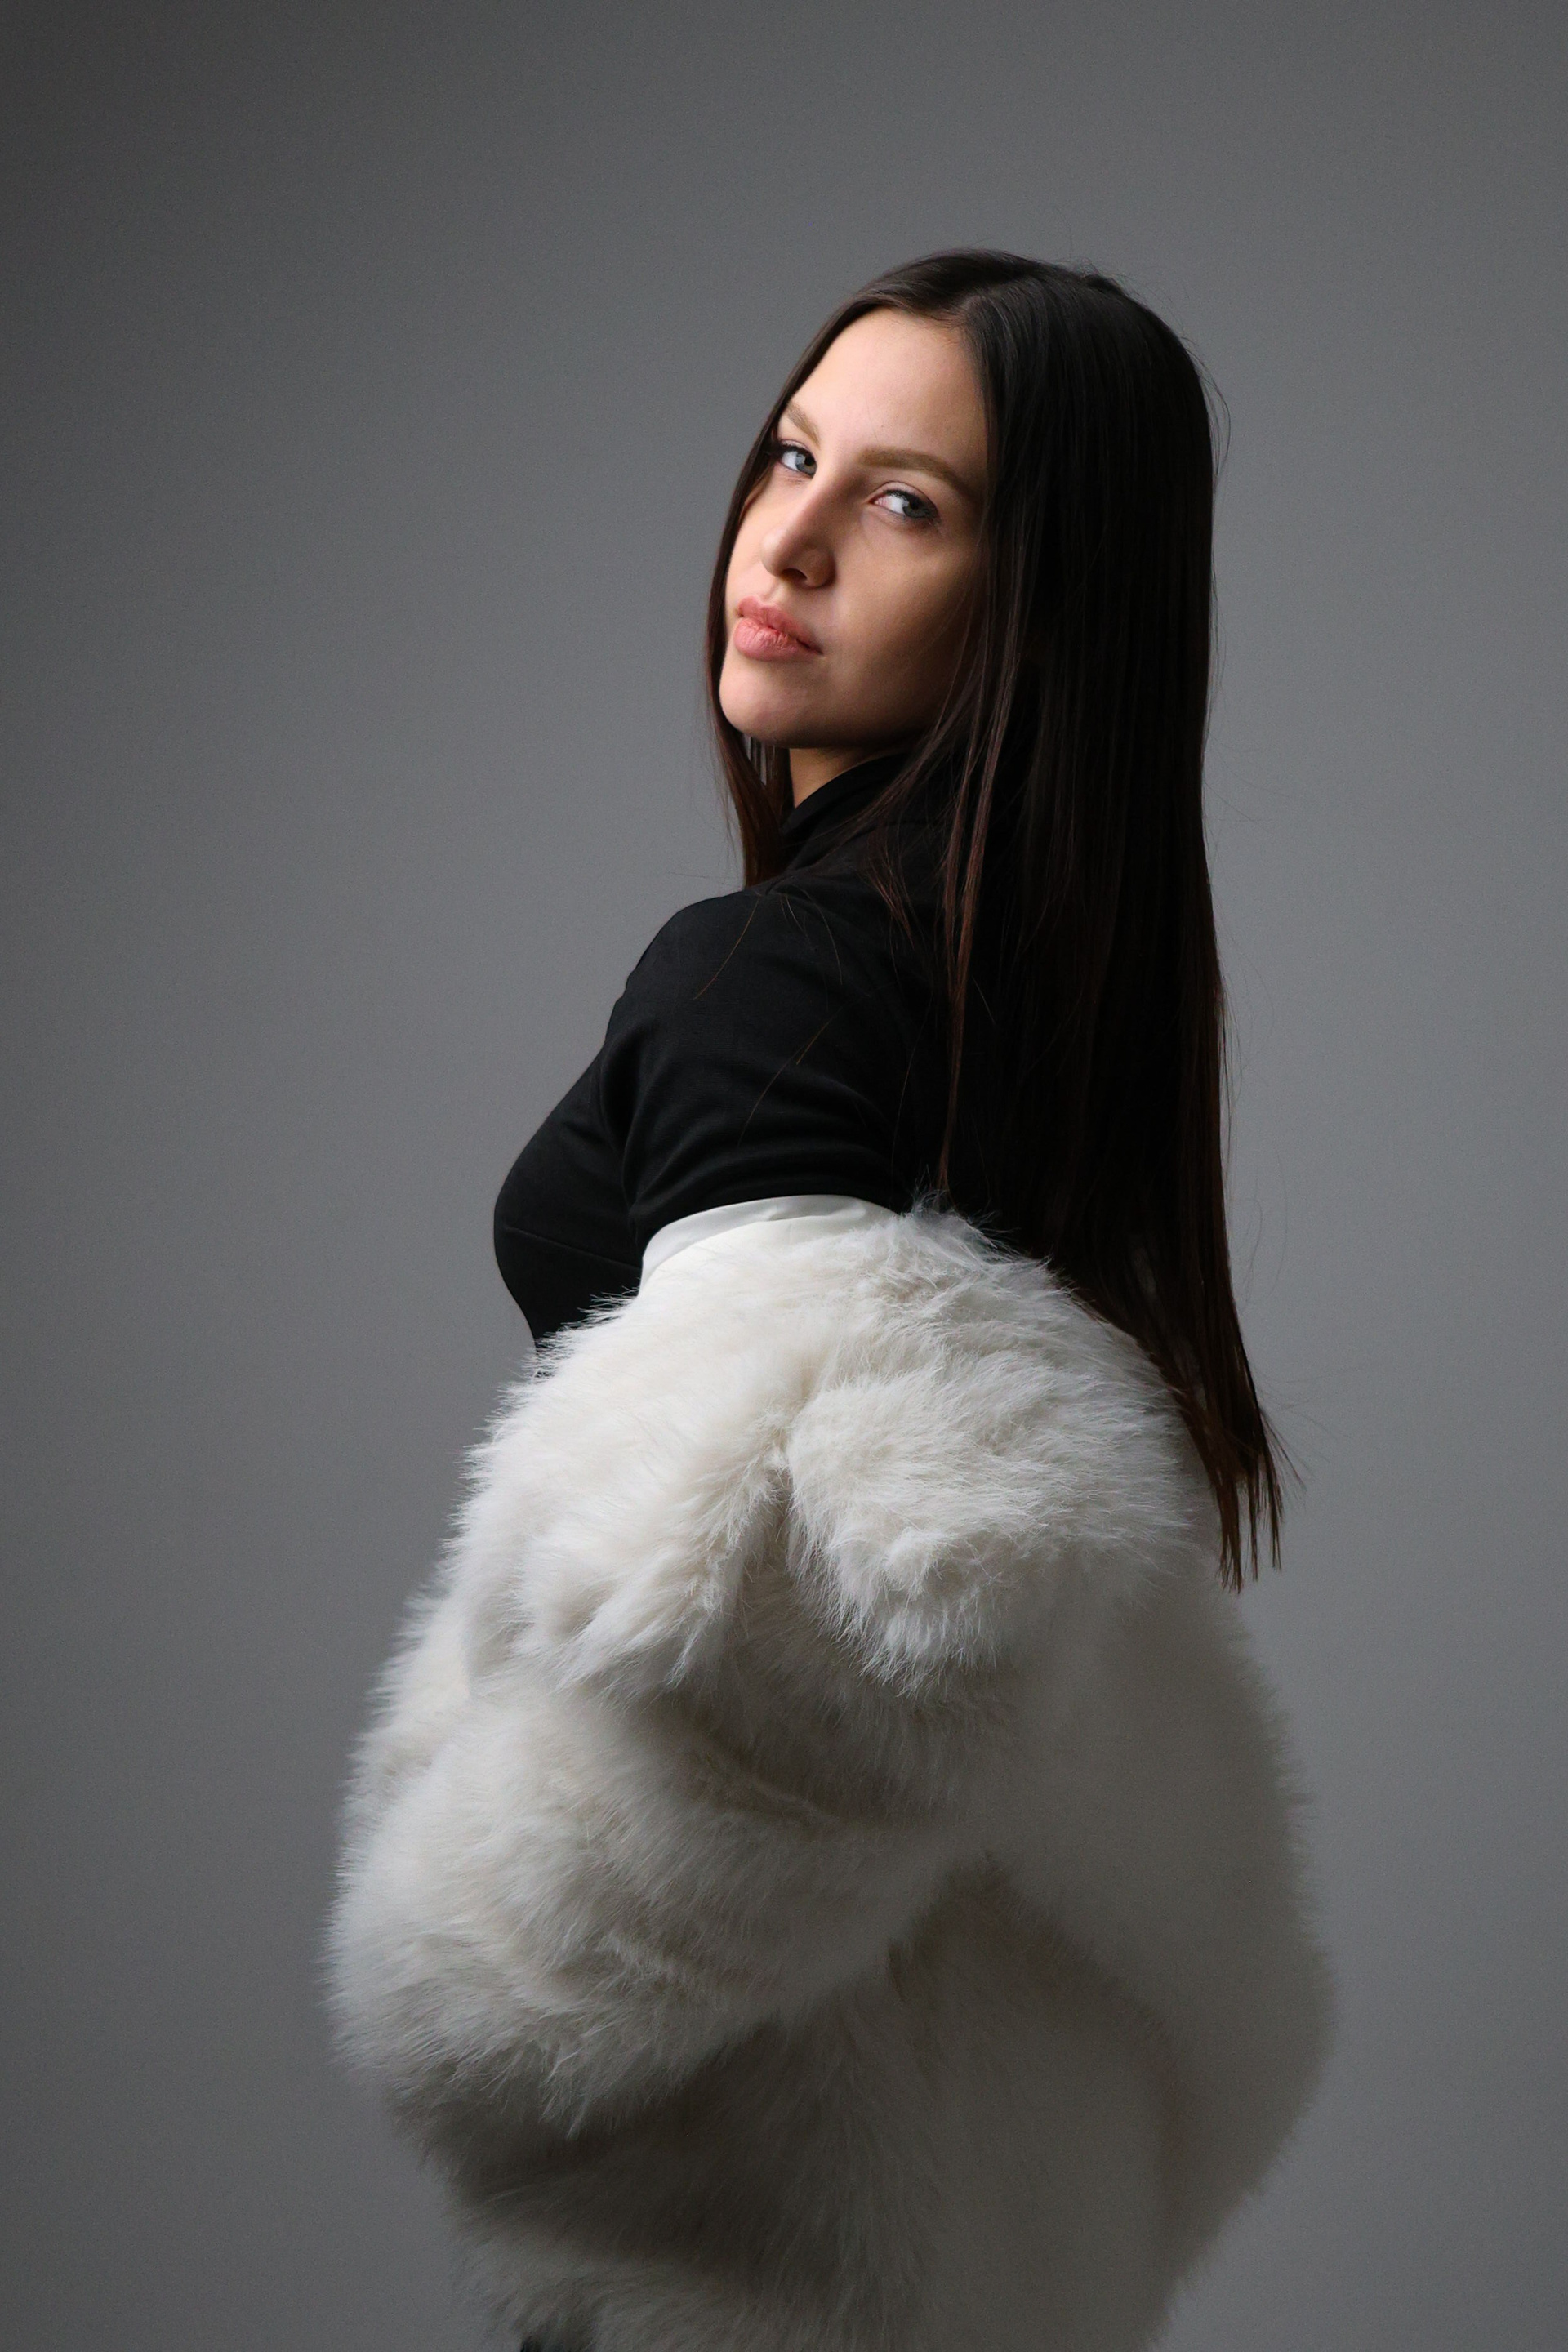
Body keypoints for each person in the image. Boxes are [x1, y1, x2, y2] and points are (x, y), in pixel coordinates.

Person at [329, 252, 1332, 2352]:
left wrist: (477, 1998)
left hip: (777, 2206)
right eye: (793, 457)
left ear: (1039, 599)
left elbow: (787, 1596)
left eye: (903, 503)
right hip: (998, 2176)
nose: (783, 543)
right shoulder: (1048, 990)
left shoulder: (774, 976)